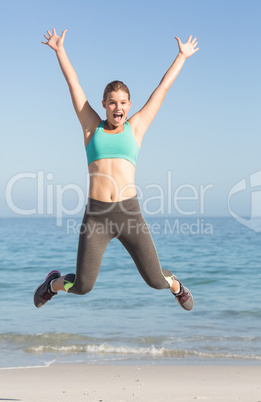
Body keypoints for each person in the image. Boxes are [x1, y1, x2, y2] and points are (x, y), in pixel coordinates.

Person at [34, 28, 199, 310]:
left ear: (129, 105)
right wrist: (60, 51)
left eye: (123, 102)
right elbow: (74, 85)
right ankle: (52, 283)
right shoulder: (91, 128)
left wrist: (181, 56)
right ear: (104, 105)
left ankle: (177, 286)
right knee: (83, 285)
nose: (117, 107)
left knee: (156, 280)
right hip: (97, 215)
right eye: (112, 102)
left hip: (129, 213)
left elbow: (162, 90)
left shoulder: (136, 127)